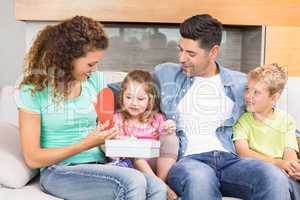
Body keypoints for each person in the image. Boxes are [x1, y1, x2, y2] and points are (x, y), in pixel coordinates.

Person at [16, 16, 166, 200]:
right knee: (132, 181)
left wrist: (115, 138)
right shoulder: (32, 92)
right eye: (90, 64)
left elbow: (109, 128)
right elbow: (33, 158)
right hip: (59, 171)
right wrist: (85, 144)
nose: (94, 70)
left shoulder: (95, 81)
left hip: (100, 165)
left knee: (157, 188)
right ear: (67, 59)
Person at [153, 14, 292, 200]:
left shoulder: (241, 83)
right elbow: (126, 90)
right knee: (200, 178)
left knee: (273, 177)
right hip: (189, 161)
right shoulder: (165, 73)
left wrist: (290, 160)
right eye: (180, 50)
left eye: (191, 53)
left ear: (213, 52)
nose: (181, 58)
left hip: (231, 161)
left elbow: (277, 120)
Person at [233, 63, 300, 199]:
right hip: (258, 171)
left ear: (274, 97)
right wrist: (278, 163)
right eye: (247, 89)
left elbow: (290, 151)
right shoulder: (243, 120)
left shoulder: (286, 120)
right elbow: (243, 152)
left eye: (256, 92)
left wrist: (292, 167)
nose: (248, 96)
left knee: (291, 183)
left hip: (284, 173)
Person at [110, 69, 179, 200]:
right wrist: (121, 138)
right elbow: (115, 149)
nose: (134, 103)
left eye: (140, 99)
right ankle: (161, 186)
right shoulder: (118, 119)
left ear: (150, 100)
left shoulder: (157, 118)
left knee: (170, 138)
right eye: (128, 97)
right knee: (131, 147)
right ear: (122, 97)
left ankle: (159, 182)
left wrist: (169, 128)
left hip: (156, 165)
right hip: (132, 165)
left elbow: (166, 145)